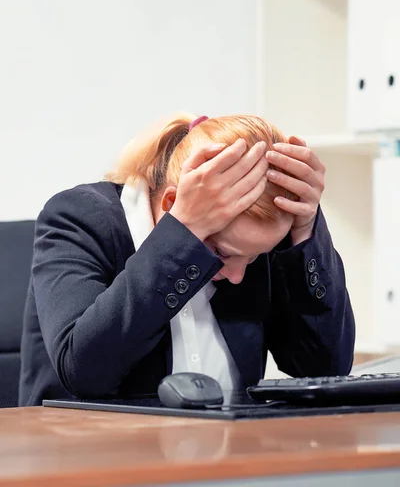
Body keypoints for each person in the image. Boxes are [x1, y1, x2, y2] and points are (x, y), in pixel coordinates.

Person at [19, 113, 355, 406]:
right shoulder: (78, 219)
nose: (239, 275)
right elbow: (84, 371)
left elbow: (324, 369)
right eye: (222, 253)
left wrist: (306, 233)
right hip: (93, 462)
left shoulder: (249, 240)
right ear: (171, 205)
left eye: (254, 259)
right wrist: (182, 234)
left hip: (228, 463)